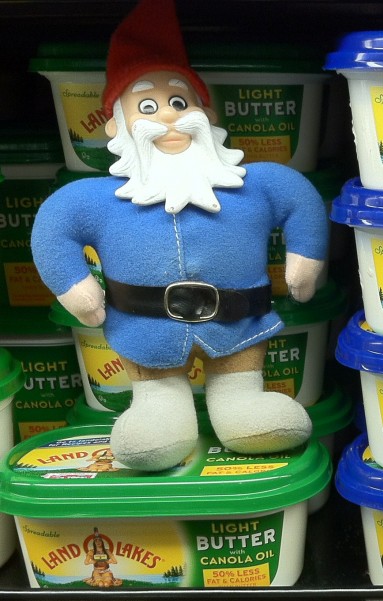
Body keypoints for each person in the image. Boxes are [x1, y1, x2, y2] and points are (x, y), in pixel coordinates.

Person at [31, 0, 326, 471]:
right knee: (157, 413)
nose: (169, 117)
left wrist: (304, 265)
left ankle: (243, 408)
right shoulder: (97, 198)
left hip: (240, 324)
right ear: (116, 126)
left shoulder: (253, 184)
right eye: (147, 106)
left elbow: (299, 199)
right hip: (144, 329)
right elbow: (54, 227)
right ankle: (159, 415)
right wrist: (77, 290)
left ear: (206, 113)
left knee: (241, 391)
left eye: (180, 102)